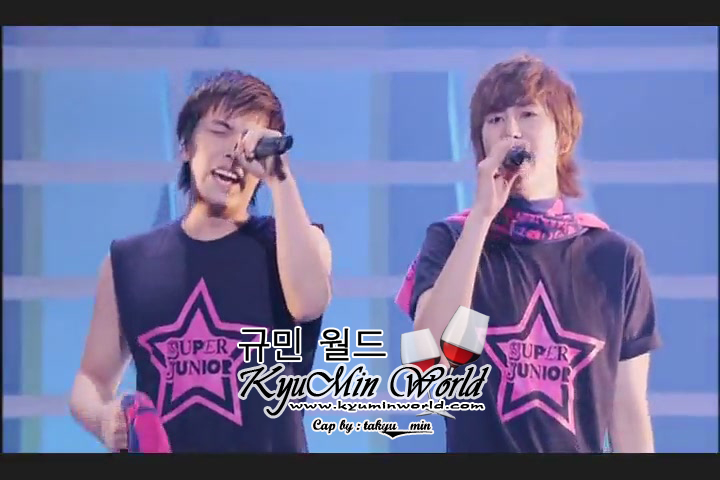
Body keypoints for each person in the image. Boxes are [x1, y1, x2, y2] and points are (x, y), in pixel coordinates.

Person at [395, 54, 661, 453]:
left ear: (562, 138)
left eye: (528, 114)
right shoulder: (453, 240)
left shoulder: (614, 260)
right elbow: (431, 362)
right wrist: (481, 217)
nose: (512, 131)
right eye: (495, 119)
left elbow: (628, 412)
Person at [69, 70, 332, 453]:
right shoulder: (127, 262)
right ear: (186, 146)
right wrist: (104, 420)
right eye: (221, 131)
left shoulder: (294, 243)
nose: (234, 152)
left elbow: (308, 302)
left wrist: (281, 179)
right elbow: (90, 379)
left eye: (251, 140)